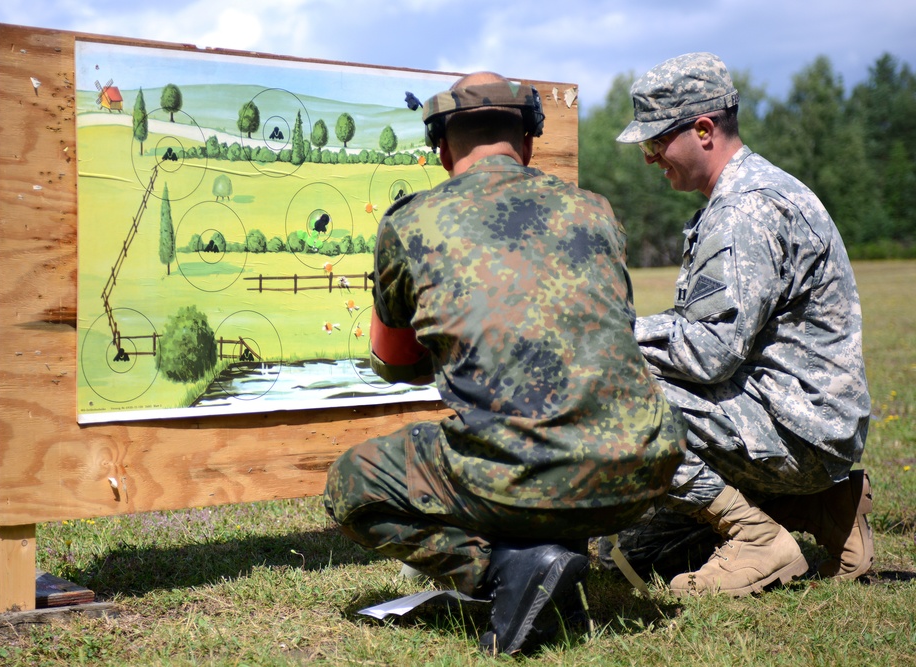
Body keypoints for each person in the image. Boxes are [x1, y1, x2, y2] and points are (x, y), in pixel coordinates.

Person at [323, 71, 686, 655]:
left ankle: (507, 570)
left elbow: (392, 361)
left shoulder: (410, 221)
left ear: (441, 148)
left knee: (353, 484)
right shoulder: (594, 210)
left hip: (525, 472)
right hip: (644, 467)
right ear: (529, 142)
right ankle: (551, 555)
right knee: (508, 441)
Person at [607, 52, 873, 597]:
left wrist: (608, 334)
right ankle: (823, 506)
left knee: (610, 392)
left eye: (656, 142)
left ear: (703, 130)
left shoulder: (743, 210)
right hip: (809, 423)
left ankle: (757, 538)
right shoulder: (747, 193)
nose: (650, 159)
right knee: (637, 551)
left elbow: (707, 353)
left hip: (798, 430)